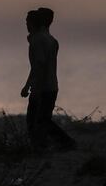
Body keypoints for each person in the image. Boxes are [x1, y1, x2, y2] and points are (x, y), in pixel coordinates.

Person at [20, 8, 75, 149]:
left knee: (35, 121)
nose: (26, 25)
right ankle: (49, 145)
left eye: (27, 22)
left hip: (42, 87)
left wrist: (31, 87)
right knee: (43, 120)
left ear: (32, 23)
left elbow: (39, 65)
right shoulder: (52, 40)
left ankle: (60, 143)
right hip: (51, 86)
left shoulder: (38, 40)